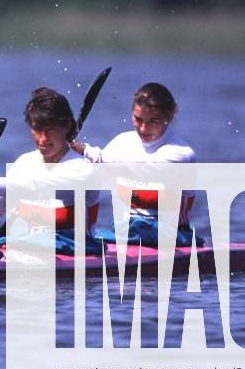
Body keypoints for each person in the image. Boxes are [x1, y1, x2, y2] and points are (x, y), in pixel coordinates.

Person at [70, 81, 198, 247]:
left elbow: (144, 169)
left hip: (173, 235)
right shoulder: (122, 141)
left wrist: (85, 150)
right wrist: (64, 152)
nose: (143, 129)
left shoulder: (181, 153)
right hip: (124, 231)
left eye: (153, 121)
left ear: (169, 118)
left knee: (108, 234)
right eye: (138, 119)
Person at [0, 87, 101, 255]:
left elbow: (34, 184)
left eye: (50, 130)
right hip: (23, 245)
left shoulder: (83, 169)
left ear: (66, 126)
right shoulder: (24, 163)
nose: (42, 139)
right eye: (37, 129)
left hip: (73, 252)